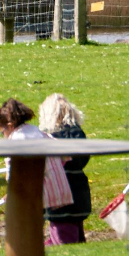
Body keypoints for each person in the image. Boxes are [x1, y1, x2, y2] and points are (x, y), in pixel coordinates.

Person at [38, 94, 93, 245]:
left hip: (59, 200)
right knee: (77, 237)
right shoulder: (78, 135)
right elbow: (83, 159)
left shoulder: (49, 139)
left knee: (63, 243)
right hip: (79, 196)